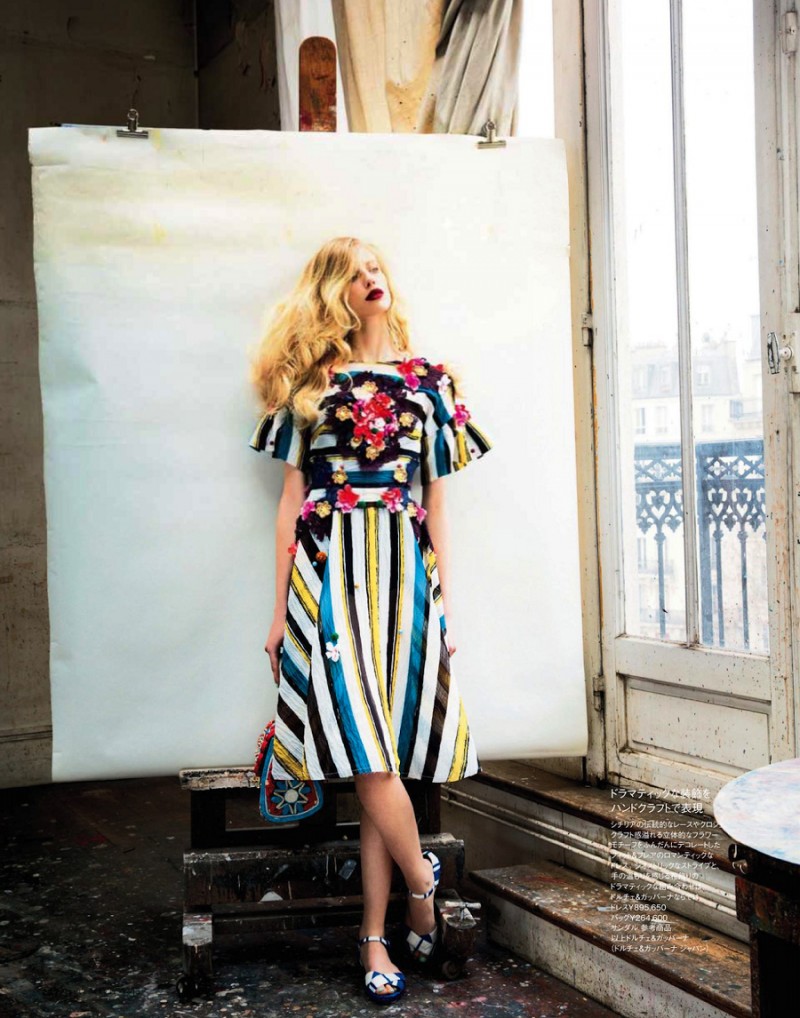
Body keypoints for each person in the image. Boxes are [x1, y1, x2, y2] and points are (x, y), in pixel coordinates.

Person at [248, 236, 493, 1004]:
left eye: (376, 267)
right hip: (329, 577)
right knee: (365, 747)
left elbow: (437, 505)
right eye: (353, 273)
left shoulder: (431, 383)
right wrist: (280, 610)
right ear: (334, 292)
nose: (370, 279)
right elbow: (290, 505)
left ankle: (374, 937)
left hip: (405, 584)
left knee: (377, 757)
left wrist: (443, 606)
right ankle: (425, 888)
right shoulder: (311, 388)